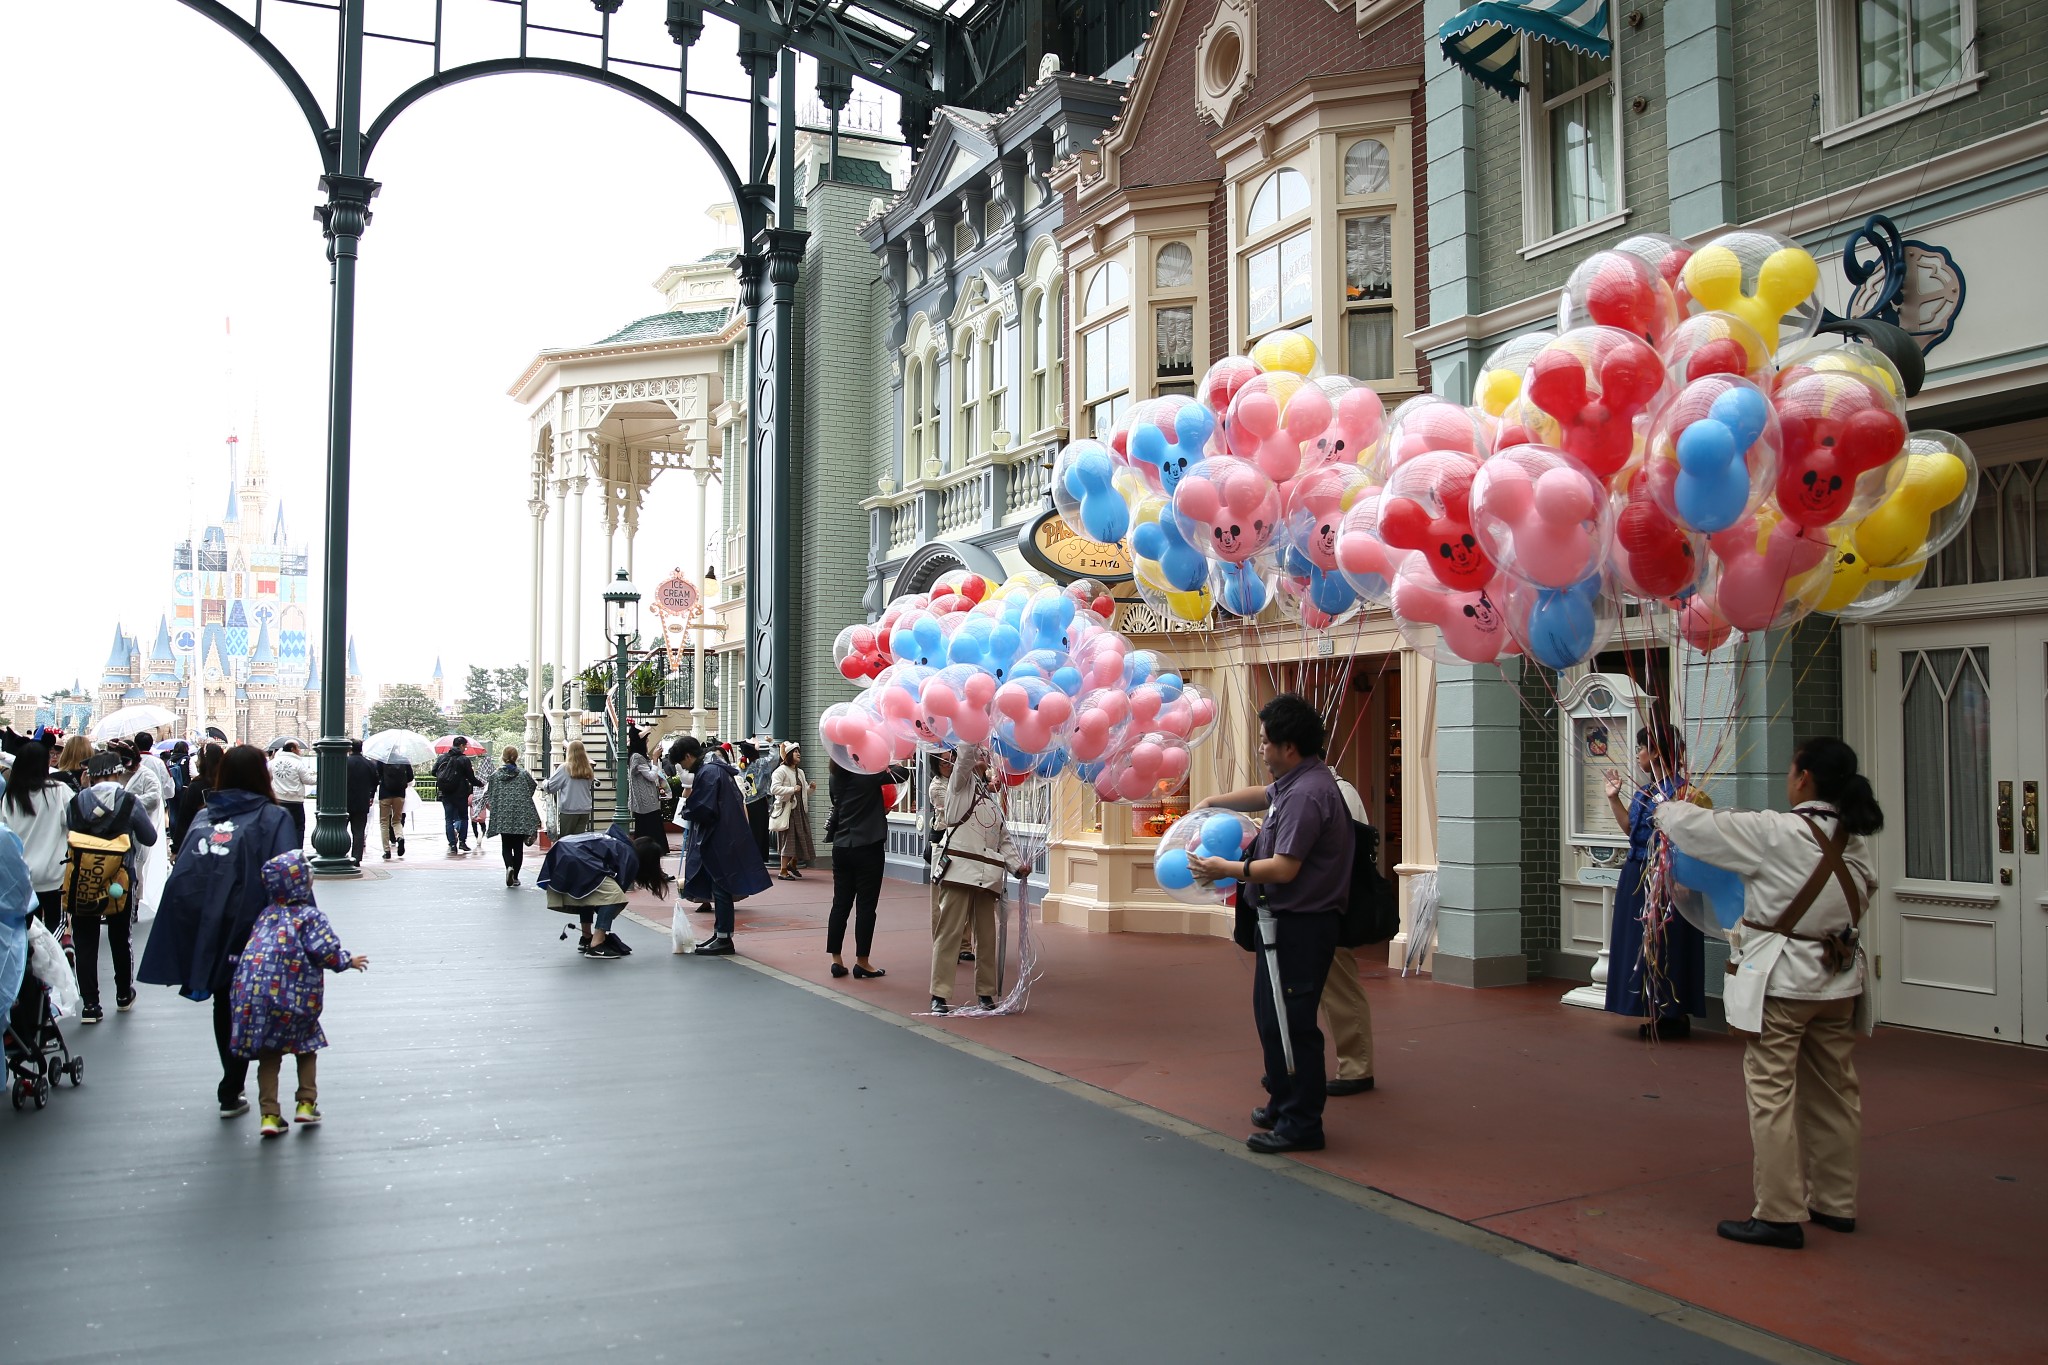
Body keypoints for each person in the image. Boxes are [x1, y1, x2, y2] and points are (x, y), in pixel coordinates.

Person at [1656, 737, 1882, 1251]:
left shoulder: (1775, 832)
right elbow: (1864, 894)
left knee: (1772, 1093)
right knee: (1836, 1091)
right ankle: (1835, 1202)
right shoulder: (1855, 839)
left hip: (1781, 983)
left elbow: (1698, 829)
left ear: (1803, 778)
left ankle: (1779, 1212)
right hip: (1838, 981)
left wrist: (1666, 804)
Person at [1192, 693, 1353, 1154]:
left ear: (1289, 747)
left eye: (1265, 743)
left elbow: (1284, 868)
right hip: (1279, 923)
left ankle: (1302, 1123)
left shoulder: (1308, 794)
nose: (1260, 750)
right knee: (1272, 1017)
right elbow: (1262, 795)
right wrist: (1212, 801)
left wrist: (1228, 869)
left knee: (1291, 1022)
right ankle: (1284, 1099)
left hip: (1301, 926)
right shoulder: (1297, 781)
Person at [138, 743, 302, 1118]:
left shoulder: (202, 816)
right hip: (256, 926)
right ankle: (256, 1085)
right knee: (259, 1001)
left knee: (225, 1000)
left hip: (211, 923)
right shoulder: (273, 818)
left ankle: (231, 1085)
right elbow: (289, 875)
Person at [227, 850, 368, 1136]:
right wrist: (347, 961)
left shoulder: (266, 916)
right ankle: (306, 1103)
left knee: (269, 1055)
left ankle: (269, 1115)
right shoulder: (309, 917)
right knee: (306, 1047)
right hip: (297, 999)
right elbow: (324, 952)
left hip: (258, 999)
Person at [1603, 723, 1707, 1039]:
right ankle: (1652, 1009)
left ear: (1658, 752)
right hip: (1637, 872)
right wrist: (1613, 798)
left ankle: (1672, 1012)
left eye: (1642, 748)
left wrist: (1684, 876)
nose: (1638, 755)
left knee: (1667, 941)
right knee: (1641, 940)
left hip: (1669, 874)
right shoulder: (1645, 790)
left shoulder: (1685, 793)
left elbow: (1692, 840)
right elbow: (1631, 832)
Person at [926, 744, 1029, 1014]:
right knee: (949, 933)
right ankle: (939, 994)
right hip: (959, 872)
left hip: (987, 877)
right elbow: (964, 759)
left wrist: (1018, 866)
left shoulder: (991, 800)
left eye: (986, 756)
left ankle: (985, 993)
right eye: (980, 755)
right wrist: (972, 732)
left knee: (986, 936)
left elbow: (1003, 839)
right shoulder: (959, 786)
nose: (984, 758)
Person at [66, 752, 159, 1024]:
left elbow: (70, 832)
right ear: (117, 773)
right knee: (120, 936)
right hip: (120, 879)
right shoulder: (129, 801)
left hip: (84, 877)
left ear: (90, 776)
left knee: (85, 939)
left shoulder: (77, 801)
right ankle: (122, 994)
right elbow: (149, 837)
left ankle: (91, 1005)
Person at [673, 735, 771, 955]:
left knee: (721, 888)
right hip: (725, 834)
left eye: (682, 763)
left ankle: (724, 937)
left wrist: (687, 809)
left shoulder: (708, 772)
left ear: (688, 756)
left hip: (718, 837)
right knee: (721, 887)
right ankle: (721, 934)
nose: (683, 768)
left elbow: (704, 807)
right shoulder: (715, 768)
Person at [823, 757, 906, 980]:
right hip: (867, 845)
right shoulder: (867, 775)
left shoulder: (834, 776)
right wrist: (884, 760)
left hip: (842, 845)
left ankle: (836, 959)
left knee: (840, 903)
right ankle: (862, 961)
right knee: (866, 906)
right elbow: (903, 774)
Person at [536, 825, 673, 958]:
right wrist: (604, 916)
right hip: (577, 858)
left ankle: (587, 937)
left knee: (590, 892)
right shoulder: (630, 856)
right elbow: (616, 893)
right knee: (614, 896)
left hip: (562, 850)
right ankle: (597, 944)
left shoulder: (616, 841)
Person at [1321, 774, 1376, 1096]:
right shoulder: (1303, 790)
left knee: (1339, 986)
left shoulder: (1336, 792)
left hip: (1331, 905)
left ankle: (1356, 1066)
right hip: (1314, 906)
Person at [1, 741, 72, 932]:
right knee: (55, 925)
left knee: (27, 930)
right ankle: (56, 957)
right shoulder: (59, 791)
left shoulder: (10, 797)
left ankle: (31, 960)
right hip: (54, 875)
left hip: (22, 876)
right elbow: (75, 823)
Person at [483, 747, 540, 887]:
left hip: (503, 815)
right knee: (518, 847)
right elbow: (532, 787)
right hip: (520, 815)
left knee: (506, 845)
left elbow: (491, 793)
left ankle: (509, 866)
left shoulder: (495, 776)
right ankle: (515, 877)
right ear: (517, 757)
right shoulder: (523, 774)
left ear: (503, 757)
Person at [170, 742, 224, 860]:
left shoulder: (196, 786)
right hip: (225, 842)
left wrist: (176, 849)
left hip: (199, 843)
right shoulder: (227, 784)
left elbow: (184, 819)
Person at [770, 744, 815, 880]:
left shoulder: (800, 772)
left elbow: (802, 791)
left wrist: (810, 789)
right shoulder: (780, 771)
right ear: (789, 754)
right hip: (788, 811)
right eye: (795, 752)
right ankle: (783, 871)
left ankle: (792, 864)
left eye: (799, 752)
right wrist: (791, 789)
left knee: (800, 838)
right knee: (788, 841)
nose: (798, 754)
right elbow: (774, 789)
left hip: (799, 810)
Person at [432, 738, 483, 854]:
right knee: (463, 817)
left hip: (446, 792)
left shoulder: (442, 758)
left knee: (449, 819)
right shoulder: (464, 760)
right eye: (465, 746)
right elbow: (471, 777)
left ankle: (452, 844)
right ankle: (462, 842)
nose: (465, 748)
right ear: (460, 745)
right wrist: (479, 784)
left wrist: (444, 776)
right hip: (460, 793)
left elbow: (433, 771)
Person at [543, 741, 596, 837]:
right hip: (584, 809)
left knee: (566, 840)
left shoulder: (565, 768)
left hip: (569, 809)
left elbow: (551, 787)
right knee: (579, 840)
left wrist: (545, 783)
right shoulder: (588, 769)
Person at [626, 730, 667, 849]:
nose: (648, 741)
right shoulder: (637, 757)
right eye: (646, 740)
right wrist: (654, 759)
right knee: (650, 827)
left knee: (646, 827)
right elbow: (651, 776)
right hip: (646, 801)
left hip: (645, 801)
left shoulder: (637, 757)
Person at [344, 738, 381, 867]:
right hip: (362, 801)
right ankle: (357, 858)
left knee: (342, 829)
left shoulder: (344, 762)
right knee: (359, 831)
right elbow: (375, 782)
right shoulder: (369, 764)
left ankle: (342, 853)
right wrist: (370, 795)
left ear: (349, 749)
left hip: (345, 801)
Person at [737, 741, 775, 864]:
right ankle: (758, 860)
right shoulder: (760, 763)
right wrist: (772, 744)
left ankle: (748, 859)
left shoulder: (740, 766)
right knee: (760, 832)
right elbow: (774, 758)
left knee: (748, 831)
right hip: (759, 802)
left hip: (745, 803)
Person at [376, 749, 413, 860]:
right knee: (397, 820)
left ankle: (387, 851)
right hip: (400, 794)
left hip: (385, 794)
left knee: (384, 822)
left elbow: (377, 775)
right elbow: (410, 777)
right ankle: (399, 837)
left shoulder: (382, 760)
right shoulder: (404, 760)